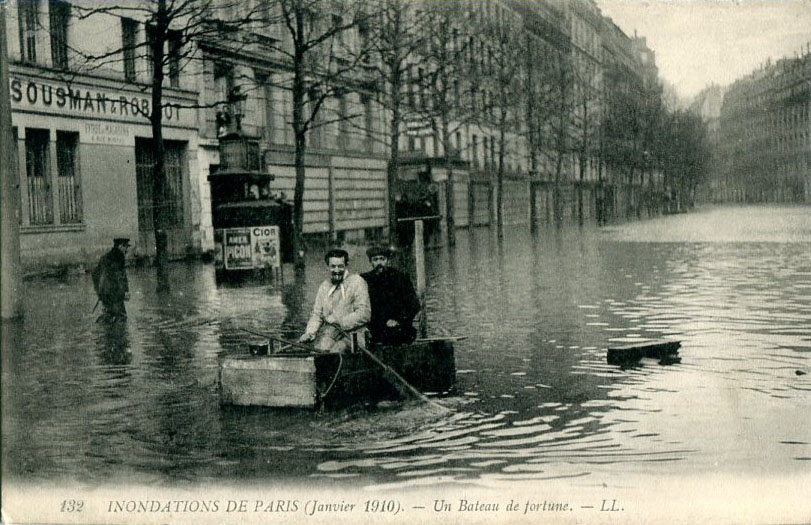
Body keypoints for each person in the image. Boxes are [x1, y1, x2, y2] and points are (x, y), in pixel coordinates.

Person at [299, 248, 371, 353]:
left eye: (340, 266)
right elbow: (316, 314)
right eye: (333, 266)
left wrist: (339, 321)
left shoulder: (357, 282)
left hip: (355, 334)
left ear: (346, 265)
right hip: (332, 333)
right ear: (328, 266)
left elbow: (364, 313)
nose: (336, 270)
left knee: (336, 350)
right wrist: (310, 333)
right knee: (318, 351)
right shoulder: (324, 286)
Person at [361, 244, 420, 346]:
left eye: (382, 259)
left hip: (398, 326)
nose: (379, 263)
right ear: (370, 262)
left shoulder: (400, 278)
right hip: (375, 327)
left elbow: (414, 305)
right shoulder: (365, 280)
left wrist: (398, 320)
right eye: (375, 260)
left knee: (396, 335)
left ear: (387, 261)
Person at [92, 237, 130, 323]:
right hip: (115, 293)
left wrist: (99, 292)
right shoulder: (119, 258)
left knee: (109, 315)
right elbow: (121, 277)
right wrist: (125, 292)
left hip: (105, 292)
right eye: (125, 247)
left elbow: (95, 274)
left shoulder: (105, 257)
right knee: (121, 317)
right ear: (120, 246)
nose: (126, 250)